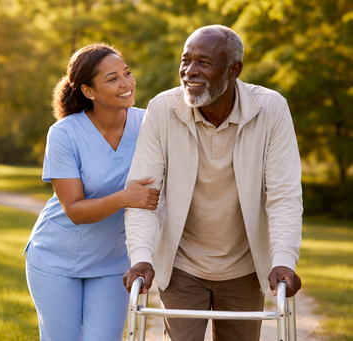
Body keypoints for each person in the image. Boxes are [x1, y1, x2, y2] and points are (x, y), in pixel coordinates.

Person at [123, 25, 303, 341]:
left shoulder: (271, 109)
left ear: (234, 70)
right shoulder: (163, 109)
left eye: (203, 62)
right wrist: (141, 256)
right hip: (182, 265)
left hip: (244, 268)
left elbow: (283, 195)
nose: (189, 72)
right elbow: (144, 195)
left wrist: (284, 261)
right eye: (185, 60)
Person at [24, 43, 160, 341]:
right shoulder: (64, 134)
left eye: (127, 73)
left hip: (113, 262)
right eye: (112, 79)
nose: (126, 83)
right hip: (55, 259)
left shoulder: (149, 123)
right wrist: (125, 198)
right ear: (89, 91)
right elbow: (74, 209)